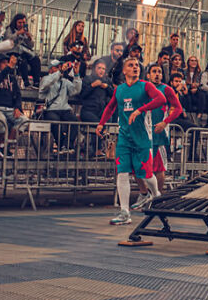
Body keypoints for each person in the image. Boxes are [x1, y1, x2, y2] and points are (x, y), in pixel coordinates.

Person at [96, 57, 166, 225]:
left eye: (137, 65)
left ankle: (156, 195)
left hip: (142, 138)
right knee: (122, 173)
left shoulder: (145, 86)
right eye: (131, 65)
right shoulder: (119, 90)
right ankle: (125, 211)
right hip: (124, 138)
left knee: (147, 175)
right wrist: (101, 123)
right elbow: (111, 106)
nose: (135, 67)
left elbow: (161, 100)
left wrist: (140, 110)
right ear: (124, 70)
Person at [132, 64, 182, 206]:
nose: (157, 74)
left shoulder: (166, 89)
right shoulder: (142, 88)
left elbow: (178, 109)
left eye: (159, 72)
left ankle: (157, 198)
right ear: (148, 75)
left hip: (159, 135)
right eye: (154, 71)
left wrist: (165, 122)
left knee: (159, 169)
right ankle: (144, 193)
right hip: (142, 134)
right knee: (137, 167)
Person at [38, 59, 82, 154]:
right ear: (50, 70)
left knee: (74, 122)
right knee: (55, 122)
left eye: (60, 67)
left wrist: (77, 75)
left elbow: (76, 90)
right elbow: (46, 84)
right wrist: (60, 72)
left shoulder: (64, 82)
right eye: (57, 67)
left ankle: (66, 145)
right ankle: (63, 146)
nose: (60, 69)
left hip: (64, 109)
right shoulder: (46, 78)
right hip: (51, 109)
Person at [5, 14, 41, 88]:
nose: (22, 25)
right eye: (20, 23)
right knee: (22, 61)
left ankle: (36, 82)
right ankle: (26, 83)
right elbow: (8, 39)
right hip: (13, 51)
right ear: (15, 22)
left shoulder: (25, 31)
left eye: (23, 23)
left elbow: (31, 45)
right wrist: (18, 33)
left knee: (36, 59)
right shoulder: (10, 29)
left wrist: (29, 37)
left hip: (24, 51)